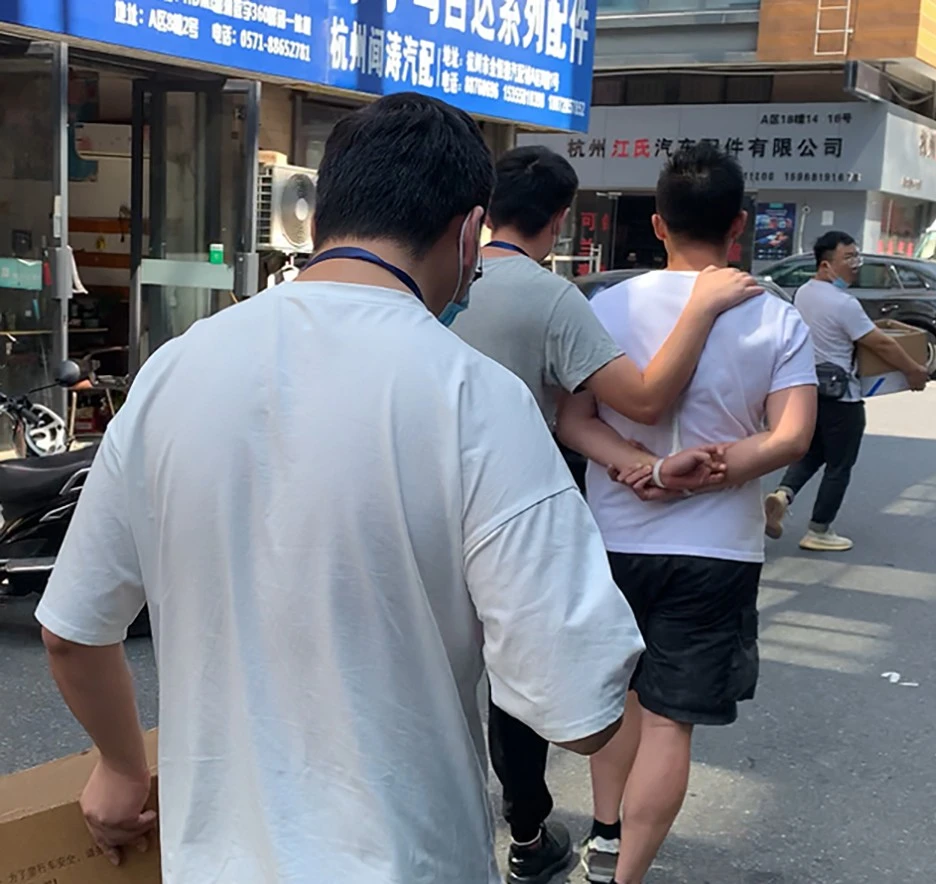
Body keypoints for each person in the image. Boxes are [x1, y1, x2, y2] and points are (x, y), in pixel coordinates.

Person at [34, 93, 646, 884]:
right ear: (469, 233)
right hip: (409, 860)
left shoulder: (174, 371)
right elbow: (578, 706)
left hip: (212, 863)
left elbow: (72, 632)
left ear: (322, 216)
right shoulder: (475, 397)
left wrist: (121, 767)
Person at [450, 144, 763, 884]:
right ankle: (528, 831)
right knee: (516, 677)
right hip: (515, 515)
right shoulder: (553, 298)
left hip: (421, 502)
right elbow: (642, 400)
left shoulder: (442, 283)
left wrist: (632, 463)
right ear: (559, 219)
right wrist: (703, 306)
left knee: (436, 673)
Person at [555, 143, 819, 884]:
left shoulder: (606, 307)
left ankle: (604, 833)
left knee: (615, 699)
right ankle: (626, 875)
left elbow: (572, 418)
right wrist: (704, 476)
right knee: (669, 723)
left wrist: (640, 470)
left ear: (657, 223)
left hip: (611, 539)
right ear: (739, 224)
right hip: (717, 550)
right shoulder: (776, 317)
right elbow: (791, 437)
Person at [763, 230, 930, 550]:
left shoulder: (804, 293)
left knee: (814, 451)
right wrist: (913, 370)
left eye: (857, 256)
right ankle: (819, 530)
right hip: (843, 397)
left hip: (812, 390)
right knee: (839, 465)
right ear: (826, 265)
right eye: (848, 258)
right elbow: (881, 343)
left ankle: (782, 495)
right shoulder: (844, 304)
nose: (856, 264)